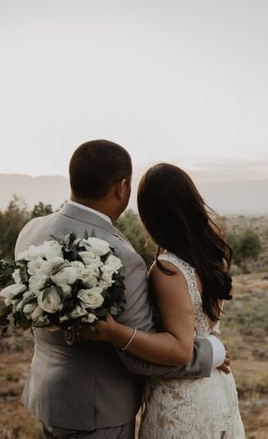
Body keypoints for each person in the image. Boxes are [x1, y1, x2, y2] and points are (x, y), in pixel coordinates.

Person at [14, 140, 227, 439]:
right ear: (121, 187)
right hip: (99, 409)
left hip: (48, 397)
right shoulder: (120, 257)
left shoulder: (31, 231)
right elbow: (138, 354)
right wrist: (210, 353)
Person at [93, 163, 246, 438]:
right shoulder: (211, 256)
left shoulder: (169, 270)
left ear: (152, 215)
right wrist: (216, 350)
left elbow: (180, 349)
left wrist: (115, 332)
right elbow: (208, 329)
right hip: (217, 386)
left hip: (183, 399)